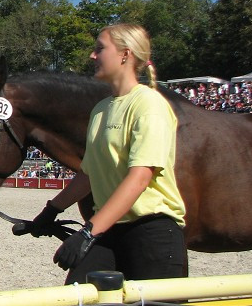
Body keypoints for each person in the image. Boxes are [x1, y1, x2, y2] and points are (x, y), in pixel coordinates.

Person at [16, 23, 187, 283]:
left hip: (152, 232)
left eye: (99, 49)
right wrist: (51, 211)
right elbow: (88, 173)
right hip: (108, 229)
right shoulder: (100, 110)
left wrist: (88, 232)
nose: (92, 56)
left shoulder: (149, 105)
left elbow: (139, 178)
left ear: (125, 54)